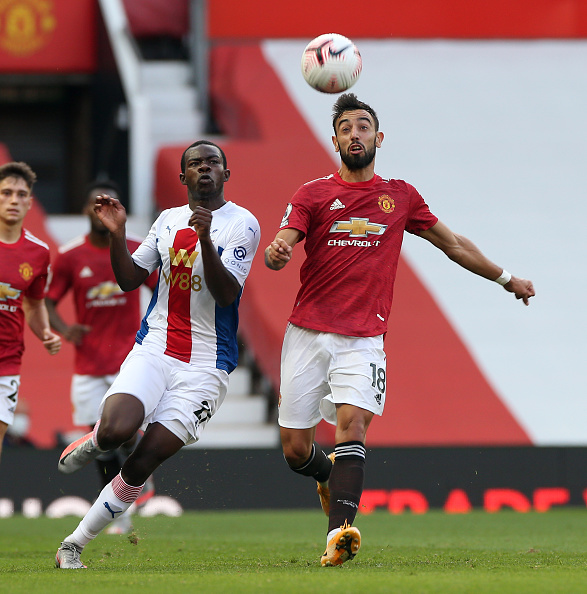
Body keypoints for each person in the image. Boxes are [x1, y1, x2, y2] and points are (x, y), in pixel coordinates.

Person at [264, 93, 536, 567]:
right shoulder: (312, 194)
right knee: (295, 450)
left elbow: (453, 244)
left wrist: (505, 278)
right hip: (307, 333)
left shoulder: (401, 196)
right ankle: (326, 475)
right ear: (335, 141)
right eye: (345, 128)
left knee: (353, 426)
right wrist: (277, 252)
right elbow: (283, 242)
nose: (355, 134)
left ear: (379, 137)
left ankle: (338, 535)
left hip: (364, 338)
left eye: (363, 126)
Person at [54, 140, 260, 569]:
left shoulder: (243, 224)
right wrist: (116, 235)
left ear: (226, 173)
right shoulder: (167, 220)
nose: (205, 168)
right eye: (195, 164)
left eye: (213, 162)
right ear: (183, 177)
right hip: (156, 348)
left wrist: (205, 239)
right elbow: (130, 279)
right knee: (116, 431)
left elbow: (226, 294)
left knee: (143, 459)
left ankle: (73, 544)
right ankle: (97, 439)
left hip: (207, 366)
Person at [46, 180, 158, 534]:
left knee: (124, 431)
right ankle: (119, 514)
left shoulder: (136, 247)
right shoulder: (70, 255)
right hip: (88, 365)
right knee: (101, 443)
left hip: (129, 359)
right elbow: (48, 300)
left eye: (111, 204)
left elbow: (164, 289)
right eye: (97, 205)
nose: (103, 211)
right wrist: (65, 330)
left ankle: (139, 467)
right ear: (86, 210)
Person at [0, 162, 61, 464]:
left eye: (21, 194)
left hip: (7, 360)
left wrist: (45, 332)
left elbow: (34, 303)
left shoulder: (38, 252)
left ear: (29, 202)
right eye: (6, 193)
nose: (14, 200)